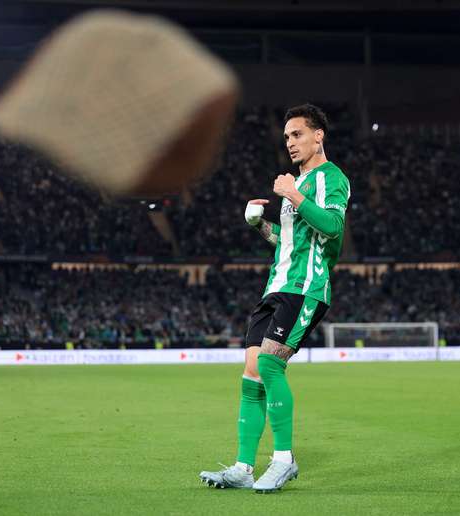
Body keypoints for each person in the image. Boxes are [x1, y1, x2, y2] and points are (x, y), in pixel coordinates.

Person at [199, 104, 350, 493]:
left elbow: (333, 227)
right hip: (275, 288)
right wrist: (257, 225)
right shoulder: (294, 186)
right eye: (286, 137)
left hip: (306, 288)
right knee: (251, 374)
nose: (290, 143)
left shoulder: (331, 177)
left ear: (318, 135)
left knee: (269, 364)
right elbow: (287, 242)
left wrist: (293, 194)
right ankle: (243, 467)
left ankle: (284, 460)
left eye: (297, 134)